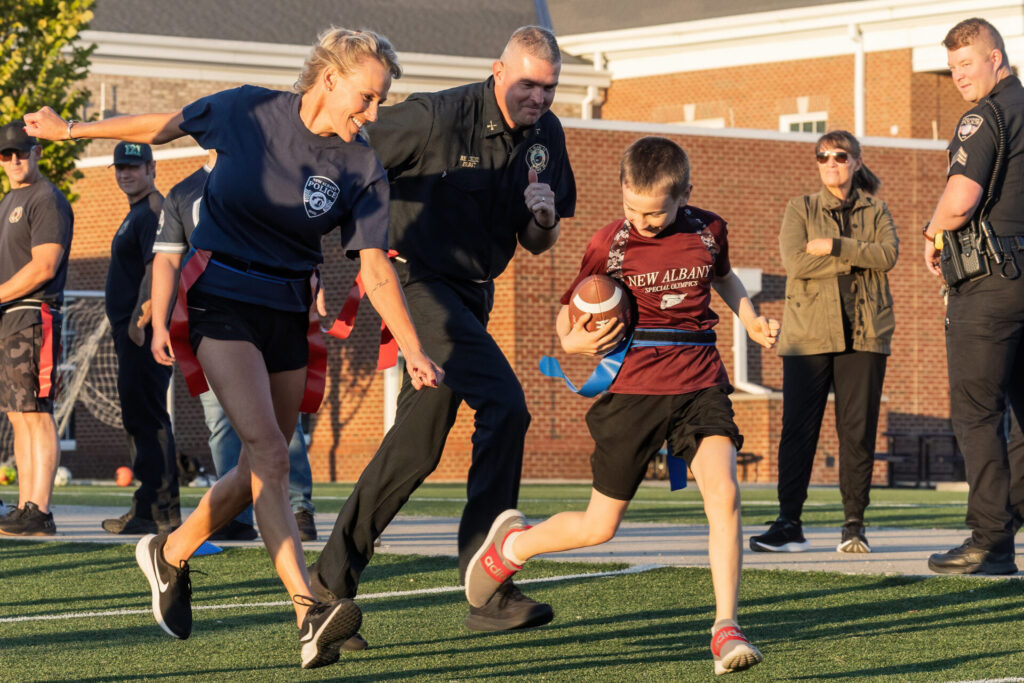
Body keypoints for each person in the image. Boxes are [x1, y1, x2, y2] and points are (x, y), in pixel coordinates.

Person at [25, 26, 443, 669]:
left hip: (288, 312)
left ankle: (168, 552)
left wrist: (412, 347)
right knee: (271, 452)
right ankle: (309, 609)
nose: (373, 113)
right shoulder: (248, 108)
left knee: (263, 466)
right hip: (220, 300)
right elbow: (164, 126)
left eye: (381, 101)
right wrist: (70, 131)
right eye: (366, 97)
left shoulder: (361, 164)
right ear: (328, 80)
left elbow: (376, 268)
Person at [465, 136, 776, 675]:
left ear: (684, 196)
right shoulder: (609, 242)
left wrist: (748, 320)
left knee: (724, 495)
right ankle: (513, 547)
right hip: (633, 392)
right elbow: (570, 317)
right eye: (632, 207)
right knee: (598, 526)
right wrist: (575, 343)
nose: (643, 221)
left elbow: (723, 276)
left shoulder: (709, 230)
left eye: (654, 213)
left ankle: (726, 627)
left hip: (700, 384)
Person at [309, 25, 575, 635]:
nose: (539, 96)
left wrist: (543, 218)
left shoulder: (547, 136)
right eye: (528, 83)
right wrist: (318, 252)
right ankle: (490, 584)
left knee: (418, 443)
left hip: (473, 294)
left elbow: (539, 241)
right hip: (418, 283)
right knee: (507, 406)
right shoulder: (436, 117)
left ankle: (328, 582)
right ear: (498, 70)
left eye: (550, 86)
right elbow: (348, 149)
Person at [152, 150, 318, 542]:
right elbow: (166, 261)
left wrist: (315, 282)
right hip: (213, 316)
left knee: (280, 421)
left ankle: (298, 506)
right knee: (221, 420)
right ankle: (235, 514)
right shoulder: (183, 192)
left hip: (270, 309)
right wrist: (160, 323)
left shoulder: (266, 176)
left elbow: (296, 240)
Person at [749, 131, 897, 555]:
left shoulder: (878, 209)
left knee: (858, 433)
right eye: (822, 157)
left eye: (839, 156)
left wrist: (834, 246)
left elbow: (887, 255)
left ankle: (854, 525)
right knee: (798, 431)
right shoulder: (801, 208)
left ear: (855, 161)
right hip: (807, 336)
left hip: (866, 334)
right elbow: (795, 262)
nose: (830, 163)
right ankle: (788, 523)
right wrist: (857, 256)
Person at [923, 17, 1024, 575]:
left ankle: (991, 541)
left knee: (978, 412)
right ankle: (1009, 520)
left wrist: (932, 230)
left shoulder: (984, 117)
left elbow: (961, 200)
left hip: (991, 281)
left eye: (967, 64)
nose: (959, 76)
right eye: (953, 66)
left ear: (996, 57)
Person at [98, 141, 182, 536]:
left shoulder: (153, 212)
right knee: (140, 417)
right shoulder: (136, 213)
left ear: (152, 168)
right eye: (120, 167)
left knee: (148, 417)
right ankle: (148, 506)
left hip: (141, 332)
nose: (125, 173)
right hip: (130, 331)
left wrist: (143, 322)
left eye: (133, 167)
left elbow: (160, 268)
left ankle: (161, 510)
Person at [0, 121, 73, 536]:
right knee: (17, 415)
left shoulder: (46, 199)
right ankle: (26, 506)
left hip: (34, 316)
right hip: (9, 320)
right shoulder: (9, 199)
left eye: (21, 152)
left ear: (37, 153)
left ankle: (39, 510)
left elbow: (43, 266)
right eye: (5, 155)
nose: (14, 160)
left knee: (36, 412)